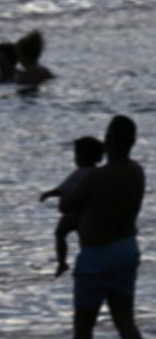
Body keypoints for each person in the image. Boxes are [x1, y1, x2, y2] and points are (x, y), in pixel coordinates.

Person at [60, 115, 144, 339]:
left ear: (107, 142)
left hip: (97, 257)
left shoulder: (97, 177)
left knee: (84, 328)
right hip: (126, 250)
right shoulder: (137, 172)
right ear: (132, 142)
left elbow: (65, 205)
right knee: (125, 322)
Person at [40, 137, 104, 278]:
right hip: (80, 215)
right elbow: (63, 188)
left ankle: (63, 262)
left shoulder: (87, 173)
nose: (75, 157)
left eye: (76, 154)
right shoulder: (90, 173)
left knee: (61, 234)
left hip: (76, 214)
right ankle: (67, 262)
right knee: (77, 239)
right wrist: (50, 193)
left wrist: (50, 194)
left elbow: (62, 190)